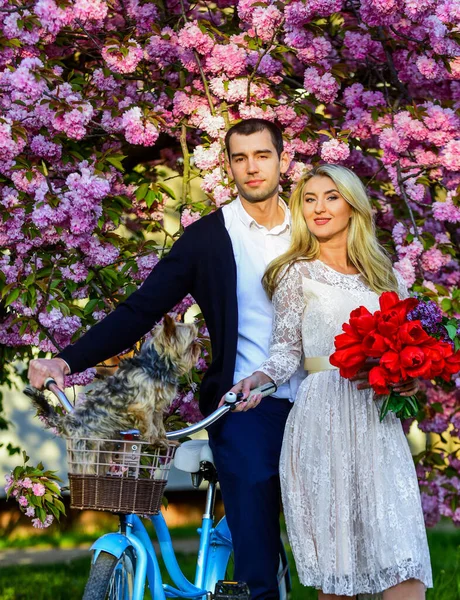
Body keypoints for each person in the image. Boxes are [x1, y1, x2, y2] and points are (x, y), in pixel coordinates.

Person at [27, 118, 305, 599]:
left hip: (322, 393)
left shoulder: (315, 225)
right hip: (244, 401)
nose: (251, 168)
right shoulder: (208, 239)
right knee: (255, 492)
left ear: (283, 159)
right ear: (229, 166)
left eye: (262, 155)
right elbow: (141, 309)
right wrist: (66, 362)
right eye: (239, 158)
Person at [228, 164, 432, 600]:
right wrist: (259, 379)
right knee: (341, 573)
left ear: (352, 205)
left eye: (331, 197)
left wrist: (409, 379)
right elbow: (285, 351)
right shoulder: (294, 272)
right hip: (325, 415)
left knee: (401, 553)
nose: (319, 208)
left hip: (376, 418)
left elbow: (403, 348)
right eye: (309, 198)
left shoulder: (384, 275)